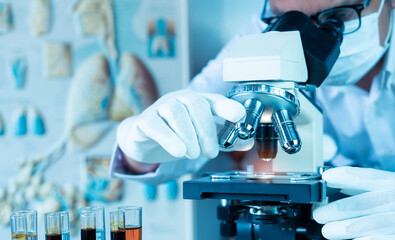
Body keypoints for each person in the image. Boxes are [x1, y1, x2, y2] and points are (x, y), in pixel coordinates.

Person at [111, 0, 395, 239]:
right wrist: (140, 149)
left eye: (337, 18)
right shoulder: (260, 37)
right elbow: (192, 126)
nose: (308, 38)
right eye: (287, 20)